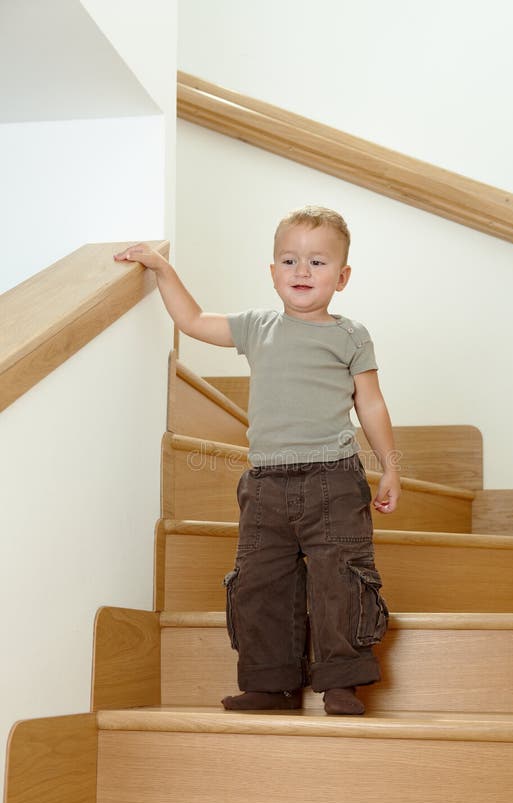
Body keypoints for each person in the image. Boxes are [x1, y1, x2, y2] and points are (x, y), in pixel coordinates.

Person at [114, 206, 401, 715]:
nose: (302, 271)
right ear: (273, 273)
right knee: (261, 582)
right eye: (289, 260)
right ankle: (270, 683)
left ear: (343, 276)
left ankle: (340, 680)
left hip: (333, 481)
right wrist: (163, 269)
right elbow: (193, 320)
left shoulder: (350, 336)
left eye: (317, 262)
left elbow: (371, 403)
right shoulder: (256, 327)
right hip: (265, 484)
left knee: (340, 578)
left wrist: (390, 466)